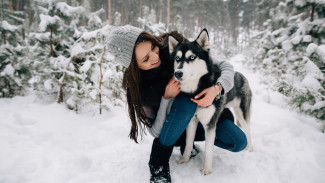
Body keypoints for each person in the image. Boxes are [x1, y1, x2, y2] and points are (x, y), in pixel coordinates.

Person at [106, 25, 247, 183]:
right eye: (145, 58)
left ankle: (191, 142)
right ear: (134, 65)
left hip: (205, 116)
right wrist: (166, 98)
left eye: (153, 47)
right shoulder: (140, 88)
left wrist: (217, 89)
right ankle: (158, 162)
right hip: (173, 129)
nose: (154, 57)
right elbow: (155, 132)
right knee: (186, 102)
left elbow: (225, 66)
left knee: (238, 142)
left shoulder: (174, 48)